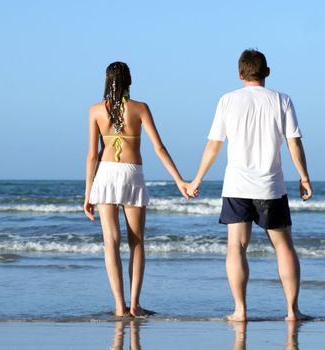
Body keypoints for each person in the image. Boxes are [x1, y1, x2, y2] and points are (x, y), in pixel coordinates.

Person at [187, 49, 312, 321]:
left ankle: (240, 310)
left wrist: (196, 179)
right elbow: (294, 143)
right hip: (271, 185)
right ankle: (292, 311)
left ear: (240, 74)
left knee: (236, 247)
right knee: (284, 246)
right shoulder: (282, 100)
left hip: (237, 186)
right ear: (267, 72)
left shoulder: (228, 100)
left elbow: (213, 145)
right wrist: (304, 176)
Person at [84, 62, 189, 318]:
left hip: (106, 175)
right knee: (137, 242)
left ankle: (119, 306)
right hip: (132, 174)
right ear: (130, 80)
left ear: (106, 81)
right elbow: (159, 148)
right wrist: (179, 180)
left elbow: (92, 156)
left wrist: (88, 194)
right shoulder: (140, 108)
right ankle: (134, 305)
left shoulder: (96, 110)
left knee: (111, 242)